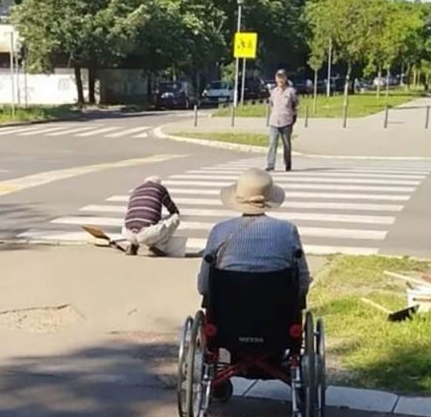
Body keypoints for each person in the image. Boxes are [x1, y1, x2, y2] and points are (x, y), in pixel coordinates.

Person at [197, 168, 310, 303]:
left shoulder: (220, 230)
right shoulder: (288, 231)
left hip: (227, 310)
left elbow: (204, 287)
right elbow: (303, 283)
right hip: (278, 310)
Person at [122, 175, 181, 256]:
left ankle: (132, 245)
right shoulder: (159, 188)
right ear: (158, 183)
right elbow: (173, 209)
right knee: (175, 217)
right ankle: (158, 248)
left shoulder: (136, 190)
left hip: (127, 233)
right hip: (146, 234)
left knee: (135, 219)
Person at [266, 69, 298, 172]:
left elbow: (295, 104)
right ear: (276, 79)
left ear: (285, 78)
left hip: (286, 121)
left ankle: (287, 164)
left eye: (282, 77)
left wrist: (293, 117)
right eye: (278, 77)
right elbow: (271, 104)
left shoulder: (291, 91)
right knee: (272, 143)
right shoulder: (273, 91)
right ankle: (270, 164)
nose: (280, 80)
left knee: (286, 144)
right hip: (274, 121)